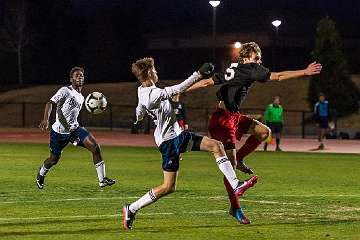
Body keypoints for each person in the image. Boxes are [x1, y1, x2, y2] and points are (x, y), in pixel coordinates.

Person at [186, 42, 322, 222]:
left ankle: (240, 158)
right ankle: (235, 208)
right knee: (230, 170)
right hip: (223, 122)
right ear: (246, 58)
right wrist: (304, 72)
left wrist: (180, 90)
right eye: (256, 58)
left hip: (232, 117)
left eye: (259, 58)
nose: (259, 61)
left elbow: (206, 82)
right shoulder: (250, 68)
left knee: (263, 132)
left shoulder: (233, 69)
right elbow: (278, 76)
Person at [122, 57, 258, 230]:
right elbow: (178, 89)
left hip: (178, 135)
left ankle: (236, 185)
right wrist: (198, 74)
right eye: (154, 71)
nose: (156, 73)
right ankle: (131, 208)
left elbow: (139, 111)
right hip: (169, 143)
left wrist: (138, 117)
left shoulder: (142, 91)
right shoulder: (152, 94)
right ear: (149, 73)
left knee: (217, 146)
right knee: (168, 187)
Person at [36, 66, 116, 189]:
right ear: (71, 79)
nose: (80, 77)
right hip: (59, 132)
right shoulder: (65, 90)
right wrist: (46, 119)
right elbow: (50, 103)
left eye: (81, 75)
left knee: (95, 147)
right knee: (53, 160)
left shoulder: (82, 97)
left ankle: (102, 180)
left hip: (74, 130)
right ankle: (41, 173)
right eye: (77, 75)